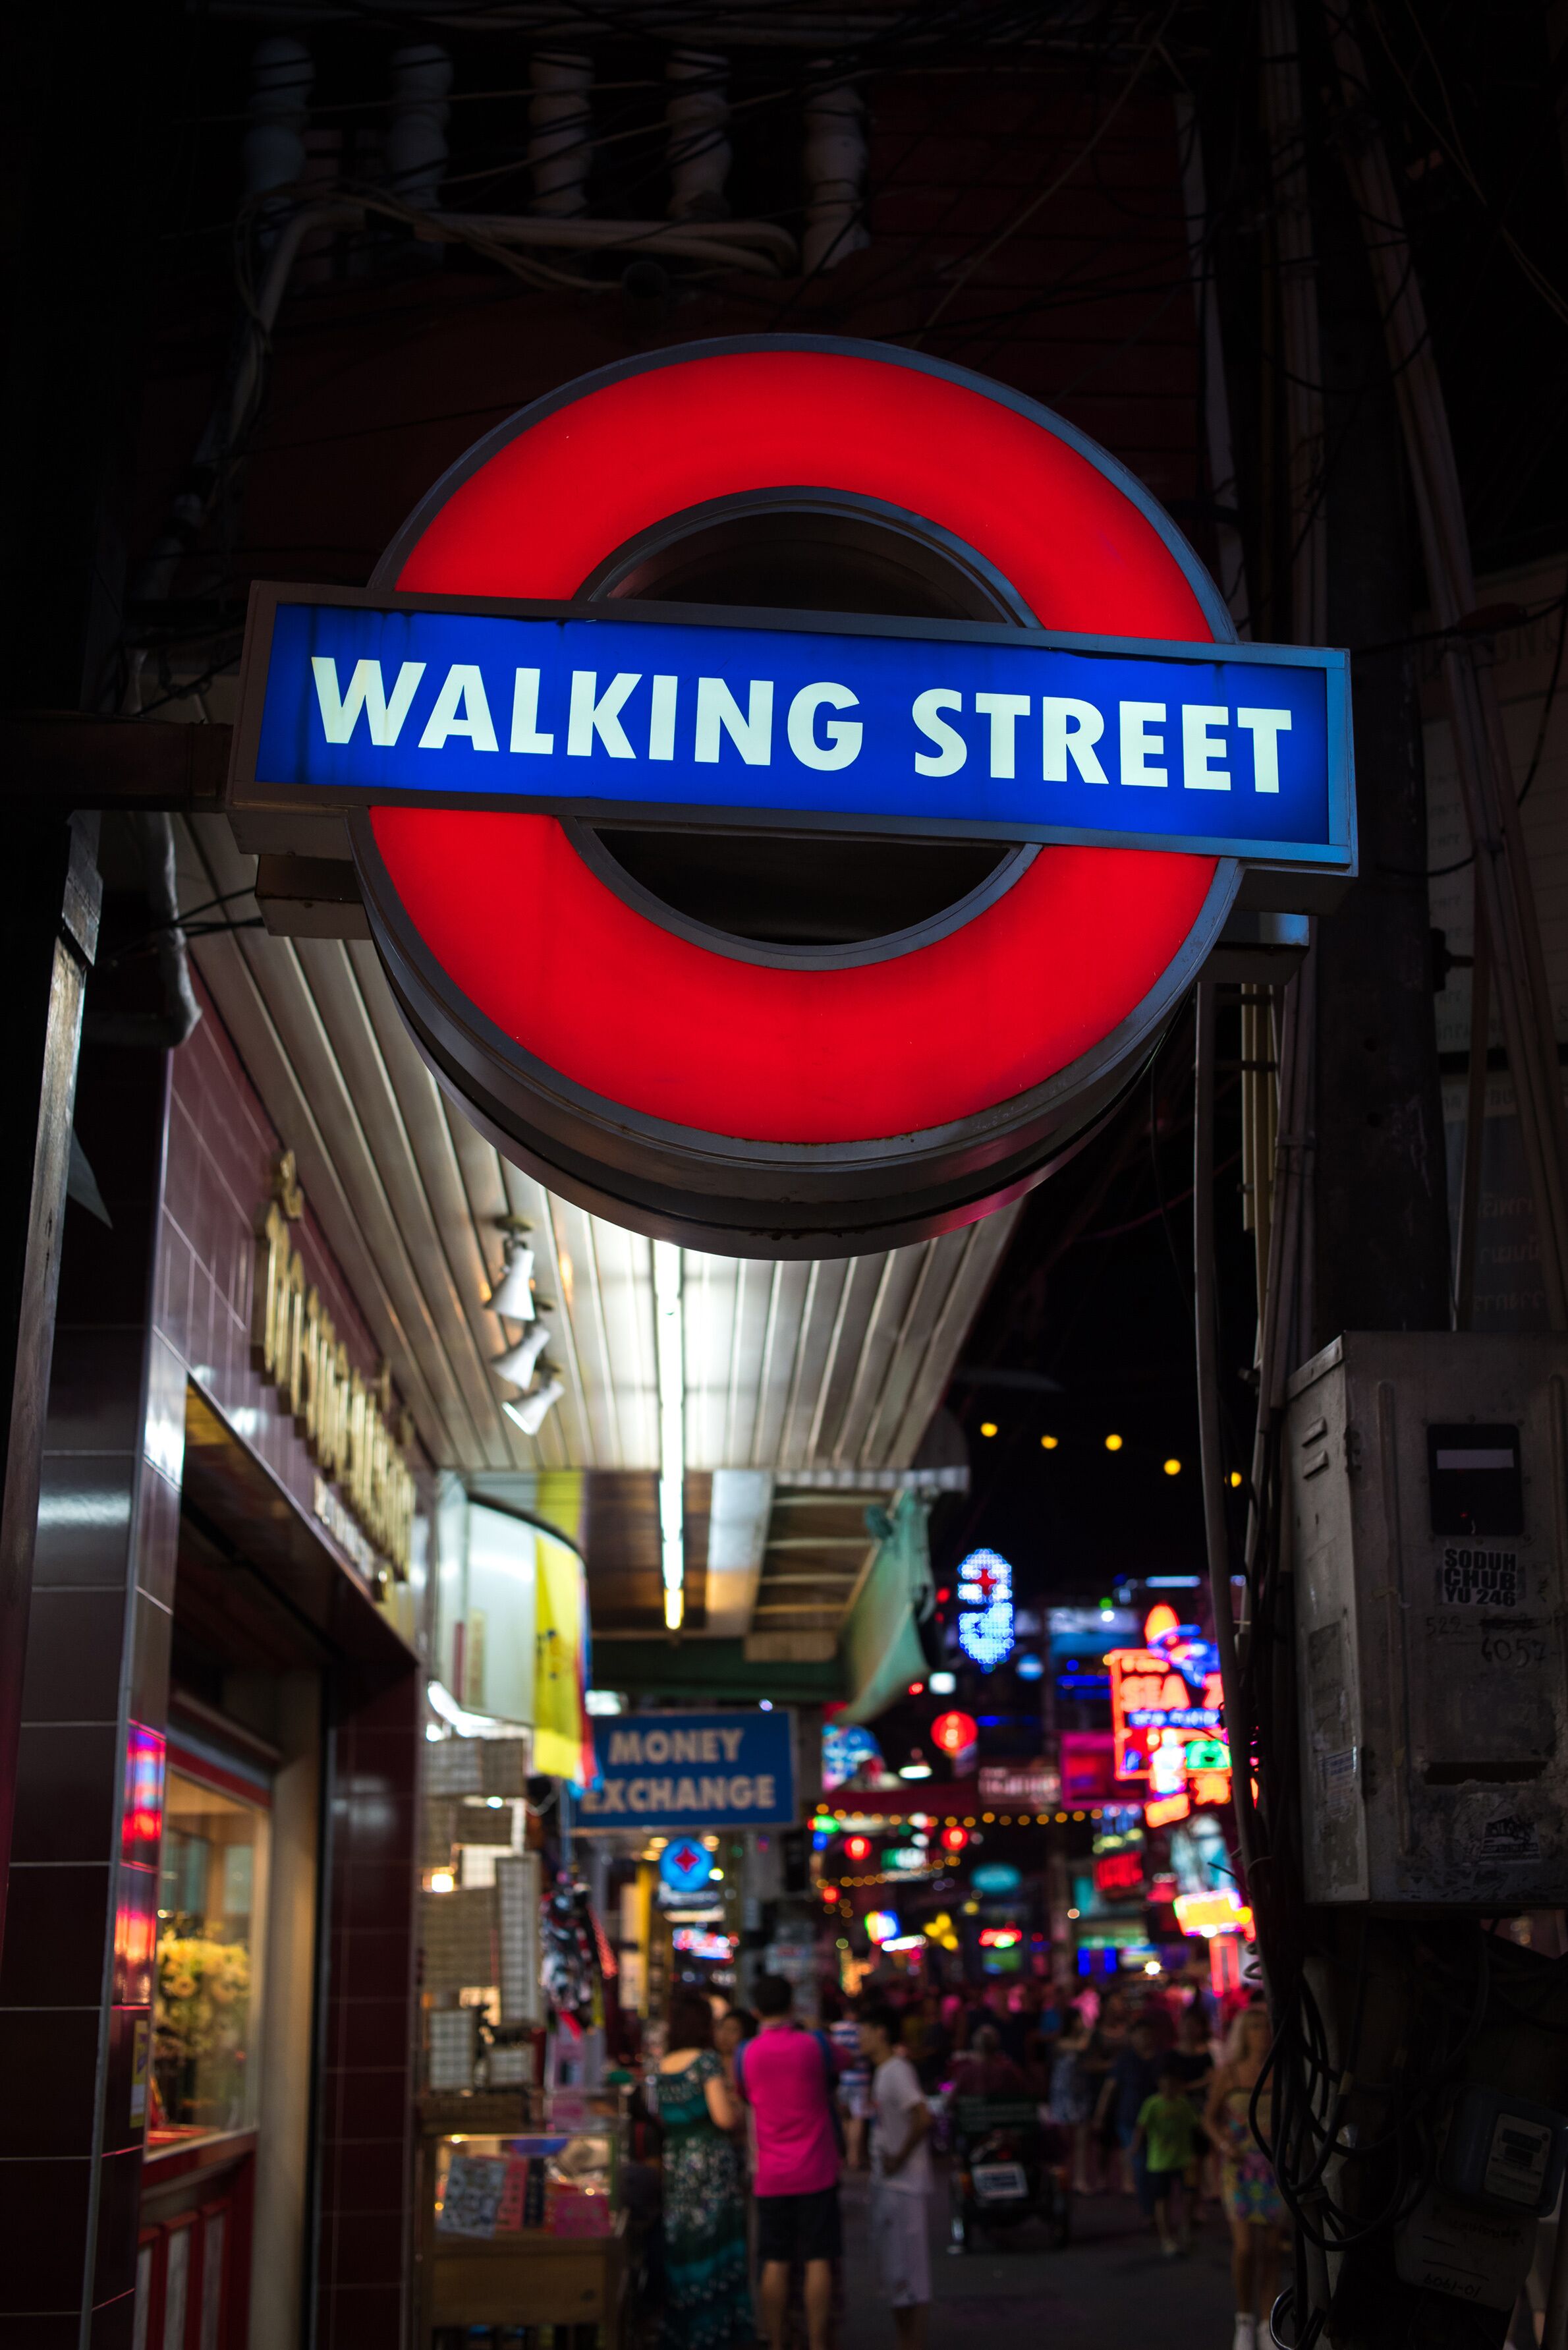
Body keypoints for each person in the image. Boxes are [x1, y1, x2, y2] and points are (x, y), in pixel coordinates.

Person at [733, 1974, 841, 2350]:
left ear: (756, 2011)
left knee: (775, 2260)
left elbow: (745, 2096)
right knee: (817, 2259)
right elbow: (837, 2071)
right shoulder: (815, 2045)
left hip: (772, 2175)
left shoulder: (745, 2054)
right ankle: (817, 2343)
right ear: (793, 2005)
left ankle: (777, 2342)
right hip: (817, 2170)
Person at [646, 1987, 750, 2350]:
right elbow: (723, 2118)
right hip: (707, 2160)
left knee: (685, 2238)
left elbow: (659, 2115)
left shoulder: (661, 2066)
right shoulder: (706, 2063)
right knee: (714, 2235)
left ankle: (687, 2325)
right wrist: (737, 2112)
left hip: (676, 2161)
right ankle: (716, 2329)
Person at [1206, 2004, 1287, 2350]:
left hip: (1273, 2166)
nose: (1262, 2034)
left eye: (1266, 2028)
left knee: (1270, 2249)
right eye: (1254, 2028)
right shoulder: (1230, 2072)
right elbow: (1208, 2118)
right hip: (1239, 2168)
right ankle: (1244, 2319)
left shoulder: (1281, 2071)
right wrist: (1224, 2143)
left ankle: (1268, 2323)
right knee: (1244, 2248)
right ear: (1244, 2034)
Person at [859, 2002, 932, 2350]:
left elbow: (922, 2115)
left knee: (910, 2278)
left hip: (904, 2186)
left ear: (880, 2032)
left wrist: (898, 2157)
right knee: (897, 2276)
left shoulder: (896, 2071)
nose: (859, 2037)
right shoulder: (885, 2071)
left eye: (863, 2030)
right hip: (891, 2186)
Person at [1133, 2059, 1204, 2256]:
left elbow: (1197, 2125)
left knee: (1190, 2195)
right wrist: (1135, 2147)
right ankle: (1166, 2238)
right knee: (1162, 2200)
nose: (1170, 2086)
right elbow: (1141, 2127)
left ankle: (1185, 2229)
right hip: (1159, 2161)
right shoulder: (1152, 2104)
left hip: (1185, 2159)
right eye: (1166, 2081)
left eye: (1173, 2081)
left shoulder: (1183, 2103)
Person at [1095, 2016, 1160, 2198]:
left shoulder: (1159, 2059)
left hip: (1156, 2117)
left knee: (1151, 2156)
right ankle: (1131, 2183)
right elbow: (1109, 2088)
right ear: (1132, 2037)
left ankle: (1146, 2188)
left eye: (1148, 2035)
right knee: (1133, 2153)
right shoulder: (1125, 2060)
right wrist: (1100, 2114)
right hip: (1129, 2115)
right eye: (1140, 2035)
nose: (1144, 2039)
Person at [949, 2022, 1026, 2098]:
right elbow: (1027, 2095)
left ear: (976, 2045)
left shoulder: (966, 2073)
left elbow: (951, 2103)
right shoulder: (1010, 2071)